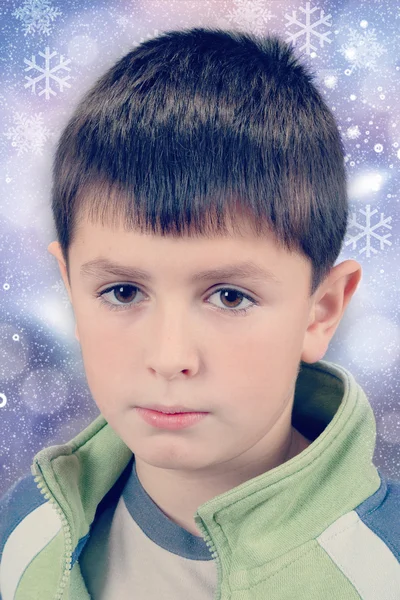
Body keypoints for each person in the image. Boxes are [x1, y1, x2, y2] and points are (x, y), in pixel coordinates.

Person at [0, 26, 399, 600]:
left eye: (230, 297)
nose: (170, 358)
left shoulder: (385, 569)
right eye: (122, 292)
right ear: (69, 290)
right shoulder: (25, 532)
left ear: (321, 311)